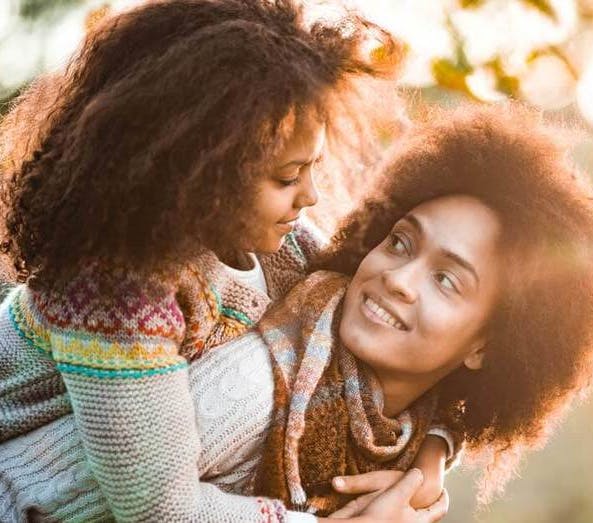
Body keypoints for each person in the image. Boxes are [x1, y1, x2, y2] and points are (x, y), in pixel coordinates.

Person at [1, 105, 593, 521]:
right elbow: (77, 504)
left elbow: (450, 406)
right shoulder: (255, 381)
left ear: (485, 347)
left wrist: (433, 457)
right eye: (400, 242)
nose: (398, 279)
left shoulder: (395, 424)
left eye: (447, 280)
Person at [0, 1, 449, 521]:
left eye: (314, 167)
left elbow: (396, 345)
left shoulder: (286, 247)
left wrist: (432, 453)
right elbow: (163, 512)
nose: (311, 196)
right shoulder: (111, 294)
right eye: (287, 176)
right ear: (200, 173)